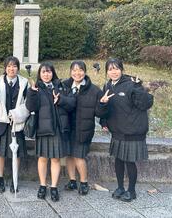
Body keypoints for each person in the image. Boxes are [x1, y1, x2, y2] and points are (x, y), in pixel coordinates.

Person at [100, 58, 153, 202]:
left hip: (132, 130)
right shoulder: (107, 86)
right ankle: (120, 187)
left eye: (116, 68)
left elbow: (146, 103)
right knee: (118, 160)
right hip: (117, 130)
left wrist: (138, 88)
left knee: (130, 161)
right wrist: (103, 120)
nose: (113, 71)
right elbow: (105, 108)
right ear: (107, 72)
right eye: (110, 69)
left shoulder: (131, 84)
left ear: (121, 69)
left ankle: (131, 190)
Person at [25, 62, 75, 202]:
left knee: (56, 159)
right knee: (42, 158)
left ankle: (53, 186)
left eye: (49, 72)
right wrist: (31, 93)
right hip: (43, 128)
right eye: (43, 72)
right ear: (39, 75)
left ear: (53, 73)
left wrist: (60, 100)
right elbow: (30, 107)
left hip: (58, 129)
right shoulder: (36, 88)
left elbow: (72, 104)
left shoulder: (62, 86)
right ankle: (42, 185)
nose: (46, 74)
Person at [62, 60, 107, 195]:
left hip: (84, 128)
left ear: (85, 72)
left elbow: (99, 113)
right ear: (70, 72)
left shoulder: (94, 90)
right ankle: (72, 181)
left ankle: (84, 182)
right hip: (67, 127)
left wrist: (103, 104)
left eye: (80, 70)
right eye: (74, 70)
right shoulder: (64, 86)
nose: (77, 73)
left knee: (79, 156)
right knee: (69, 155)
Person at [0, 56, 29, 193]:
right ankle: (0, 179)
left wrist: (16, 114)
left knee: (16, 153)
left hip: (17, 122)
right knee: (0, 153)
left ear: (18, 68)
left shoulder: (24, 82)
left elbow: (27, 104)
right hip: (1, 122)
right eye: (9, 66)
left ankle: (14, 179)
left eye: (14, 66)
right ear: (5, 68)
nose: (12, 69)